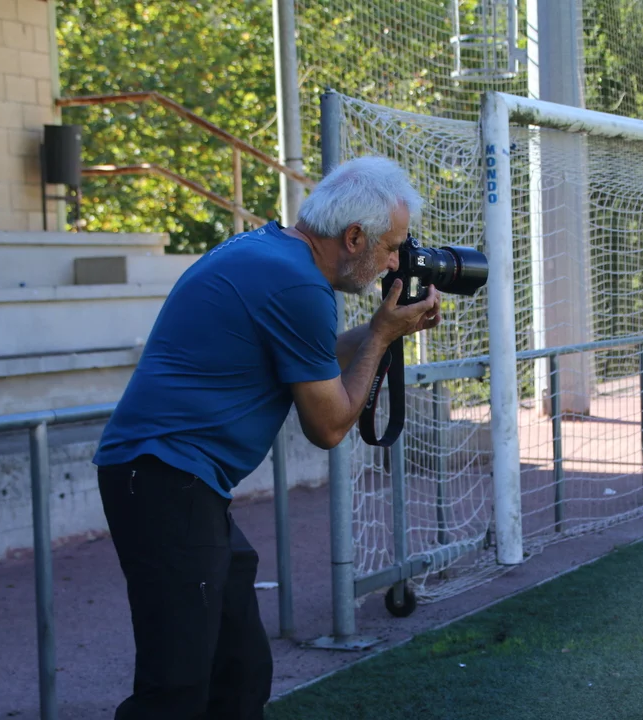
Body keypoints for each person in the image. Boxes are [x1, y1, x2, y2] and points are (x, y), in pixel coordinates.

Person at [92, 156, 442, 719]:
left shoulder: (269, 251)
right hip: (163, 479)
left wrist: (386, 329)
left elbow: (311, 357)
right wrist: (380, 335)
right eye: (392, 248)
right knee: (175, 688)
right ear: (355, 237)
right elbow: (329, 426)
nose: (395, 263)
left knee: (239, 670)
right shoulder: (298, 285)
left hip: (172, 479)